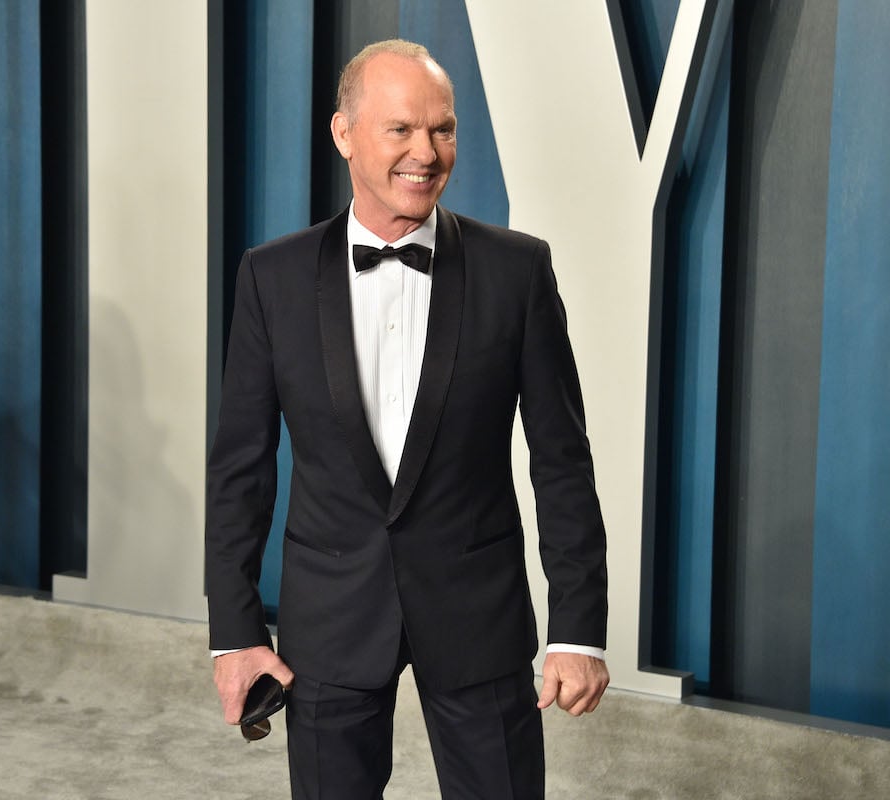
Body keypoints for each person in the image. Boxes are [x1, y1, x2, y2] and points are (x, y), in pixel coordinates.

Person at [206, 39, 608, 799]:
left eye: (444, 129)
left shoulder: (517, 272)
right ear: (344, 133)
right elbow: (240, 472)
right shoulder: (272, 277)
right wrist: (235, 635)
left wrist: (577, 627)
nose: (427, 153)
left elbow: (562, 461)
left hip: (478, 614)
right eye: (401, 130)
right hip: (329, 621)